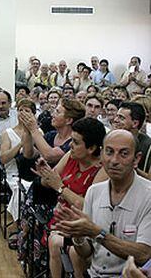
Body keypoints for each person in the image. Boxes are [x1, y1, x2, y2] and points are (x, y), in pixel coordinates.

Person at [55, 130, 151, 277]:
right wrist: (78, 235)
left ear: (137, 159)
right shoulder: (94, 192)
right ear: (101, 155)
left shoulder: (148, 196)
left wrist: (97, 232)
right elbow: (87, 253)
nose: (114, 160)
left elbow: (143, 254)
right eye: (109, 152)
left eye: (123, 154)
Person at [33, 117, 107, 278]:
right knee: (55, 241)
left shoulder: (102, 169)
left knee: (71, 250)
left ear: (92, 147)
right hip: (61, 217)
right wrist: (45, 174)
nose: (70, 145)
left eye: (76, 142)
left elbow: (86, 205)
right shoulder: (71, 156)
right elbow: (49, 182)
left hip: (86, 223)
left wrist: (60, 187)